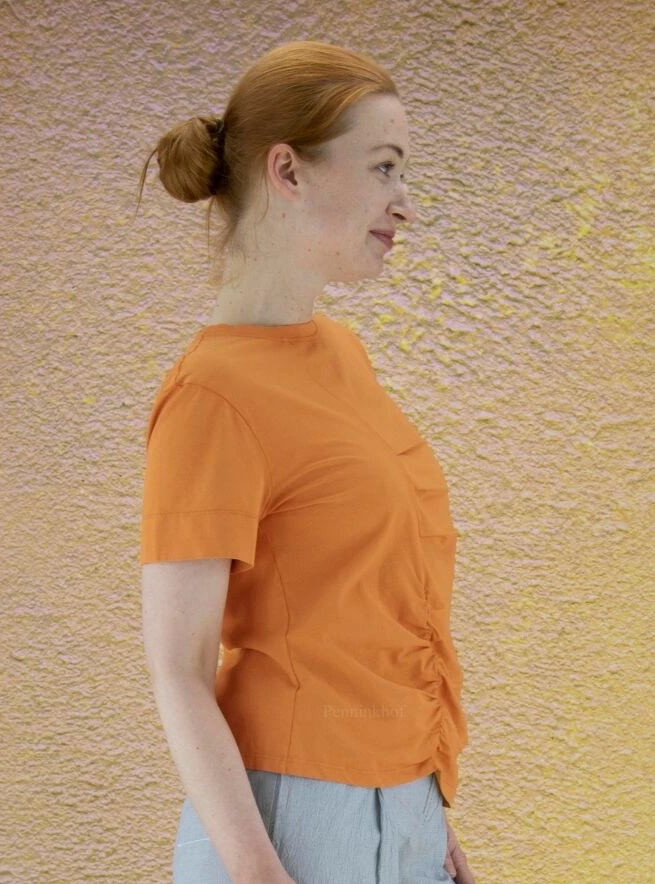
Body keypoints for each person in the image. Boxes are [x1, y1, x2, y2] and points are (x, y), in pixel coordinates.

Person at [136, 39, 475, 884]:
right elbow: (178, 668)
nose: (404, 204)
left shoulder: (341, 355)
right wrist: (260, 872)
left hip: (405, 812)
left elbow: (364, 615)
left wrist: (424, 823)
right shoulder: (211, 394)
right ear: (287, 171)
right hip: (289, 828)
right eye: (384, 167)